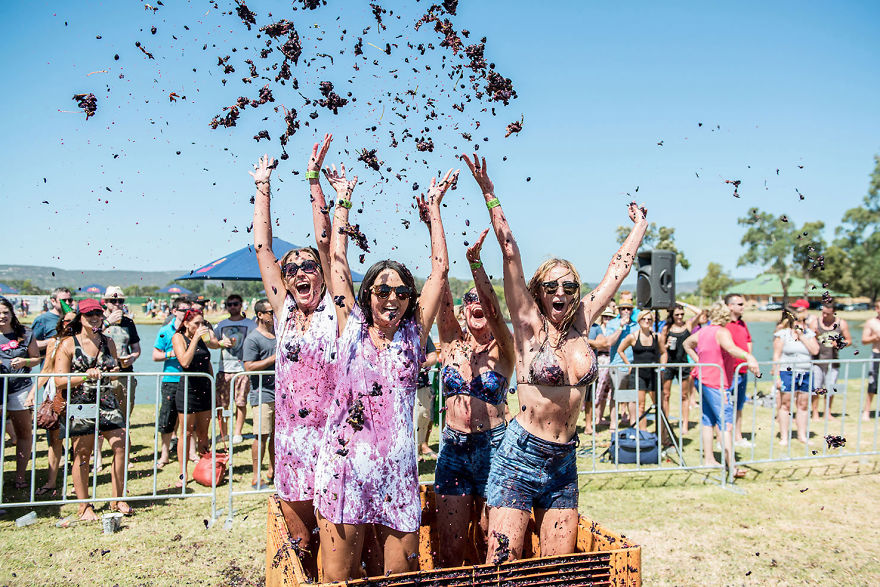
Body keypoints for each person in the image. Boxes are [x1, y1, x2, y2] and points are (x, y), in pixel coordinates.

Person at [461, 153, 647, 563]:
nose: (560, 292)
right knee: (503, 568)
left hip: (564, 462)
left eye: (568, 285)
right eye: (550, 286)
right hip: (519, 457)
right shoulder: (527, 325)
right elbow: (509, 249)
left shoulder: (584, 321)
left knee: (560, 570)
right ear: (538, 291)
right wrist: (489, 193)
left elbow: (618, 269)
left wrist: (639, 228)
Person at [313, 161, 453, 581]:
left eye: (402, 292)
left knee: (401, 578)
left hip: (397, 472)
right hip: (344, 469)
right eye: (382, 290)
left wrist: (435, 211)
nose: (392, 297)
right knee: (339, 578)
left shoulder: (414, 334)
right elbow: (335, 261)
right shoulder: (350, 326)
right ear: (367, 294)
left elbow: (440, 270)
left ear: (410, 299)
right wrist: (342, 202)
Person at [250, 137, 336, 578]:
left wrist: (312, 180)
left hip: (332, 443)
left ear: (322, 275)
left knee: (335, 542)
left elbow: (325, 242)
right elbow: (263, 248)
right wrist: (263, 187)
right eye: (292, 269)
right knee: (301, 541)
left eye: (309, 267)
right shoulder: (283, 312)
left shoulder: (336, 313)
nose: (301, 272)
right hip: (290, 442)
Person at [433, 227, 515, 568]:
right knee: (449, 545)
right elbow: (440, 290)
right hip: (453, 448)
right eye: (469, 302)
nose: (476, 305)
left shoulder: (505, 348)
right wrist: (433, 220)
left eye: (480, 301)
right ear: (463, 312)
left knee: (488, 542)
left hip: (494, 447)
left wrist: (477, 263)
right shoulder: (451, 341)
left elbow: (495, 311)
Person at [51, 299, 130, 520]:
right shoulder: (68, 344)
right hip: (81, 403)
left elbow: (114, 371)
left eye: (97, 313)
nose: (94, 317)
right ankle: (84, 506)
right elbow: (59, 380)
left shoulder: (108, 341)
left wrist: (114, 370)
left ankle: (118, 499)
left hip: (106, 401)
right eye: (89, 314)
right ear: (80, 318)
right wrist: (87, 375)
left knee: (121, 445)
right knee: (83, 453)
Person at [683, 302, 760, 478]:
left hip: (703, 379)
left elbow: (686, 344)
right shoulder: (721, 332)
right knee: (725, 423)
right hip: (717, 383)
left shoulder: (704, 331)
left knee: (708, 420)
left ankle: (709, 458)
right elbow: (731, 349)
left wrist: (699, 361)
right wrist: (749, 356)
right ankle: (731, 466)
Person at [172, 309, 225, 488]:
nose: (200, 327)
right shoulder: (179, 337)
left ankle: (205, 469)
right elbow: (185, 362)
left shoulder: (202, 338)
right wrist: (194, 339)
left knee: (203, 434)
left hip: (205, 388)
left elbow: (208, 360)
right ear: (186, 324)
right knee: (186, 433)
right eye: (196, 323)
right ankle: (183, 472)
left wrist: (214, 390)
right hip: (187, 389)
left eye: (202, 323)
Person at [0, 297, 41, 490]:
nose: (2, 316)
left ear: (11, 313)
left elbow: (36, 359)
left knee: (24, 433)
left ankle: (20, 477)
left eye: (5, 312)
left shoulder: (25, 333)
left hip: (20, 388)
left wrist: (25, 362)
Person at [35, 310, 76, 496]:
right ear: (61, 323)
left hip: (78, 394)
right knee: (55, 439)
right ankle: (51, 481)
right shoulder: (54, 342)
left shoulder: (84, 342)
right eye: (67, 321)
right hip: (56, 394)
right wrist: (32, 392)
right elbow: (46, 369)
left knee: (80, 440)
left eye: (74, 321)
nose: (70, 324)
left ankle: (78, 482)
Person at [152, 297, 192, 468]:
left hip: (190, 379)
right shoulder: (165, 330)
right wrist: (172, 354)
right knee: (167, 417)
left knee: (190, 419)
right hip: (171, 379)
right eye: (183, 310)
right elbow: (155, 355)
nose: (186, 313)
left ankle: (192, 452)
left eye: (189, 310)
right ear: (174, 311)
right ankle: (165, 453)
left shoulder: (192, 330)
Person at [771, 307, 819, 445]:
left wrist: (802, 336)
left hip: (806, 372)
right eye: (797, 320)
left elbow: (815, 350)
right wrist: (777, 376)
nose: (800, 323)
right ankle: (784, 437)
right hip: (787, 372)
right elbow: (776, 355)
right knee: (785, 404)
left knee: (803, 405)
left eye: (803, 320)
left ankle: (802, 435)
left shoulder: (809, 334)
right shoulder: (782, 334)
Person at [242, 298, 277, 490]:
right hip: (262, 393)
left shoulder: (279, 334)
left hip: (281, 393)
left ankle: (274, 471)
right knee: (261, 436)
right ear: (260, 315)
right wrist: (273, 357)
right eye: (270, 312)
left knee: (276, 436)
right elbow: (248, 366)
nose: (273, 314)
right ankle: (256, 476)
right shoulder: (253, 338)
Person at [616, 310, 668, 436]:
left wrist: (662, 368)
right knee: (641, 406)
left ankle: (662, 434)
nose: (646, 321)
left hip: (653, 373)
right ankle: (643, 434)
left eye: (649, 319)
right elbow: (620, 350)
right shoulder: (633, 337)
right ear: (639, 321)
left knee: (659, 405)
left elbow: (664, 353)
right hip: (638, 374)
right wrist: (628, 365)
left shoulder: (657, 337)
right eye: (644, 319)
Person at [214, 294, 255, 443]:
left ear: (241, 305)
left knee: (241, 402)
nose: (233, 306)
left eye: (235, 304)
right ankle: (223, 433)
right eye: (229, 304)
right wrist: (220, 343)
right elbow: (211, 342)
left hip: (242, 370)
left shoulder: (250, 324)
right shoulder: (221, 324)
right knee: (222, 404)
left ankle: (238, 432)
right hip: (224, 369)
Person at [806, 301, 851, 420]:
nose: (824, 315)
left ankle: (828, 412)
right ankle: (815, 412)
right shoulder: (815, 323)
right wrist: (814, 336)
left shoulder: (841, 323)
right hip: (817, 360)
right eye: (823, 312)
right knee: (816, 388)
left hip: (833, 360)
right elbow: (808, 340)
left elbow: (849, 340)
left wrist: (840, 343)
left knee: (831, 388)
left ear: (833, 313)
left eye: (827, 314)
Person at [660, 302, 700, 435]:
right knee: (666, 395)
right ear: (672, 315)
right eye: (677, 314)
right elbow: (661, 348)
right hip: (670, 365)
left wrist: (684, 304)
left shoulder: (687, 326)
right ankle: (665, 423)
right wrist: (666, 345)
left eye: (682, 314)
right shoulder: (667, 328)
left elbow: (699, 313)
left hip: (683, 364)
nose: (680, 317)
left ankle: (685, 425)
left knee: (684, 395)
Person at [722, 293, 753, 446]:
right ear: (730, 306)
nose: (743, 307)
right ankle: (723, 437)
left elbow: (748, 341)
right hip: (728, 372)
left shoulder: (742, 324)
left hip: (742, 370)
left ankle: (738, 436)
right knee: (726, 405)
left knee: (739, 404)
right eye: (739, 304)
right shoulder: (723, 325)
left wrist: (748, 359)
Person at [606, 297, 638, 427]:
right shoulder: (612, 324)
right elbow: (610, 342)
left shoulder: (637, 325)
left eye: (629, 308)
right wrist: (621, 326)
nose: (626, 311)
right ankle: (613, 424)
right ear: (619, 310)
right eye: (623, 308)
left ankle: (633, 423)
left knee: (631, 396)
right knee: (616, 396)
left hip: (632, 365)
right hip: (617, 364)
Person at [590, 306, 617, 429]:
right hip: (601, 360)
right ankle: (597, 417)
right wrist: (600, 344)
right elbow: (602, 345)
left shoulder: (613, 328)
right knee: (598, 390)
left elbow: (608, 344)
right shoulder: (599, 328)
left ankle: (600, 416)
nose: (607, 319)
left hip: (611, 360)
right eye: (605, 316)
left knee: (608, 392)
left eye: (610, 317)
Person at [415, 335, 439, 459]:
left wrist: (422, 364)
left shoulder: (421, 333)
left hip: (421, 386)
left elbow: (433, 356)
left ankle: (418, 447)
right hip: (396, 387)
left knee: (422, 418)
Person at [30, 288, 74, 356]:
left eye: (70, 300)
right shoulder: (42, 320)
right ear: (53, 301)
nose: (67, 303)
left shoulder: (75, 318)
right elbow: (31, 345)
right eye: (64, 300)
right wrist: (55, 340)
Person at [862, 300, 880, 421]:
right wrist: (875, 337)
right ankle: (866, 411)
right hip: (876, 354)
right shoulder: (871, 322)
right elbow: (864, 340)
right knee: (872, 383)